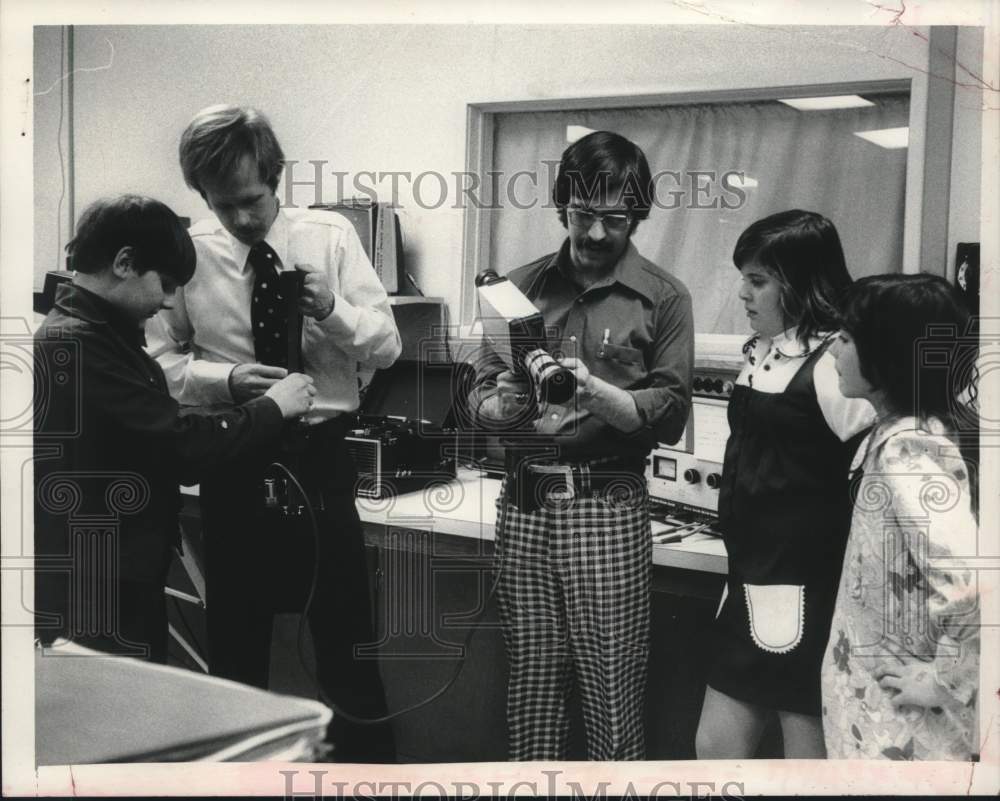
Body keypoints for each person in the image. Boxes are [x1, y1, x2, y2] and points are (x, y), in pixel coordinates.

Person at [146, 105, 401, 762]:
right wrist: (224, 381)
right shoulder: (189, 255)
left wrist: (332, 310)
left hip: (321, 463)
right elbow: (159, 362)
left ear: (276, 177)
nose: (240, 219)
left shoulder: (330, 237)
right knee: (235, 658)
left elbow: (389, 346)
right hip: (236, 459)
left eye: (251, 200)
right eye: (222, 205)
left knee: (349, 653)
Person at [469, 131, 694, 760]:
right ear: (563, 204)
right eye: (583, 213)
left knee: (611, 692)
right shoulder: (516, 289)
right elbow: (479, 396)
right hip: (525, 504)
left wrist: (597, 394)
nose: (596, 233)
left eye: (615, 219)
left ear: (637, 214)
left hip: (606, 503)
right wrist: (503, 403)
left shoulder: (664, 296)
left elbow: (671, 414)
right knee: (532, 688)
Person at [34, 195, 315, 663]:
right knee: (119, 701)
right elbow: (177, 443)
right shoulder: (77, 344)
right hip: (99, 582)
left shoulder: (97, 334)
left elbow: (155, 426)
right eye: (164, 284)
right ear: (125, 263)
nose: (168, 301)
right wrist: (273, 408)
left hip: (110, 569)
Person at [695, 210, 875, 759]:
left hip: (809, 590)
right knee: (714, 751)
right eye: (743, 278)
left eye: (758, 281)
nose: (743, 293)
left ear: (798, 285)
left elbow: (873, 474)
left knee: (807, 762)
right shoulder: (762, 352)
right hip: (748, 578)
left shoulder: (833, 364)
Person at [822, 274, 979, 760]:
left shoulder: (908, 451)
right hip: (876, 713)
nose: (831, 350)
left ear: (886, 356)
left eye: (846, 338)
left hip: (899, 730)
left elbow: (974, 584)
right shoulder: (895, 435)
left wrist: (945, 681)